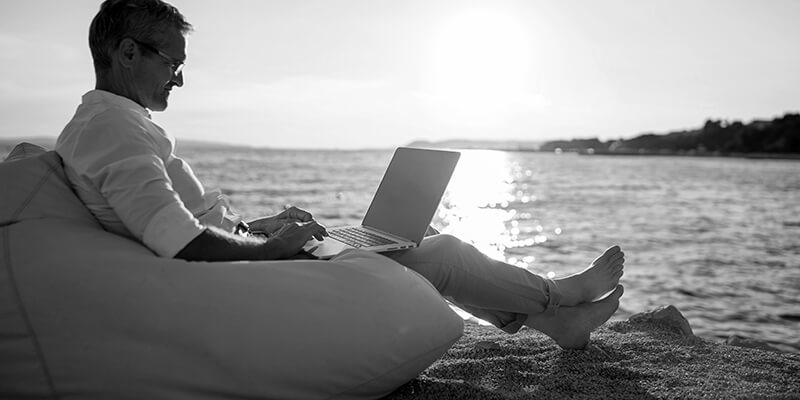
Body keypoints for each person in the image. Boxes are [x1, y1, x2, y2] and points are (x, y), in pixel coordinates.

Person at [56, 0, 625, 350]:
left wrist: (260, 225)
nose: (179, 79)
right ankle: (559, 296)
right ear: (128, 52)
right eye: (172, 62)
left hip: (248, 256)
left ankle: (556, 326)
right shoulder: (113, 130)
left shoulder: (110, 125)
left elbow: (176, 222)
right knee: (442, 254)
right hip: (249, 279)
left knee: (409, 245)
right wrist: (274, 250)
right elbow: (178, 240)